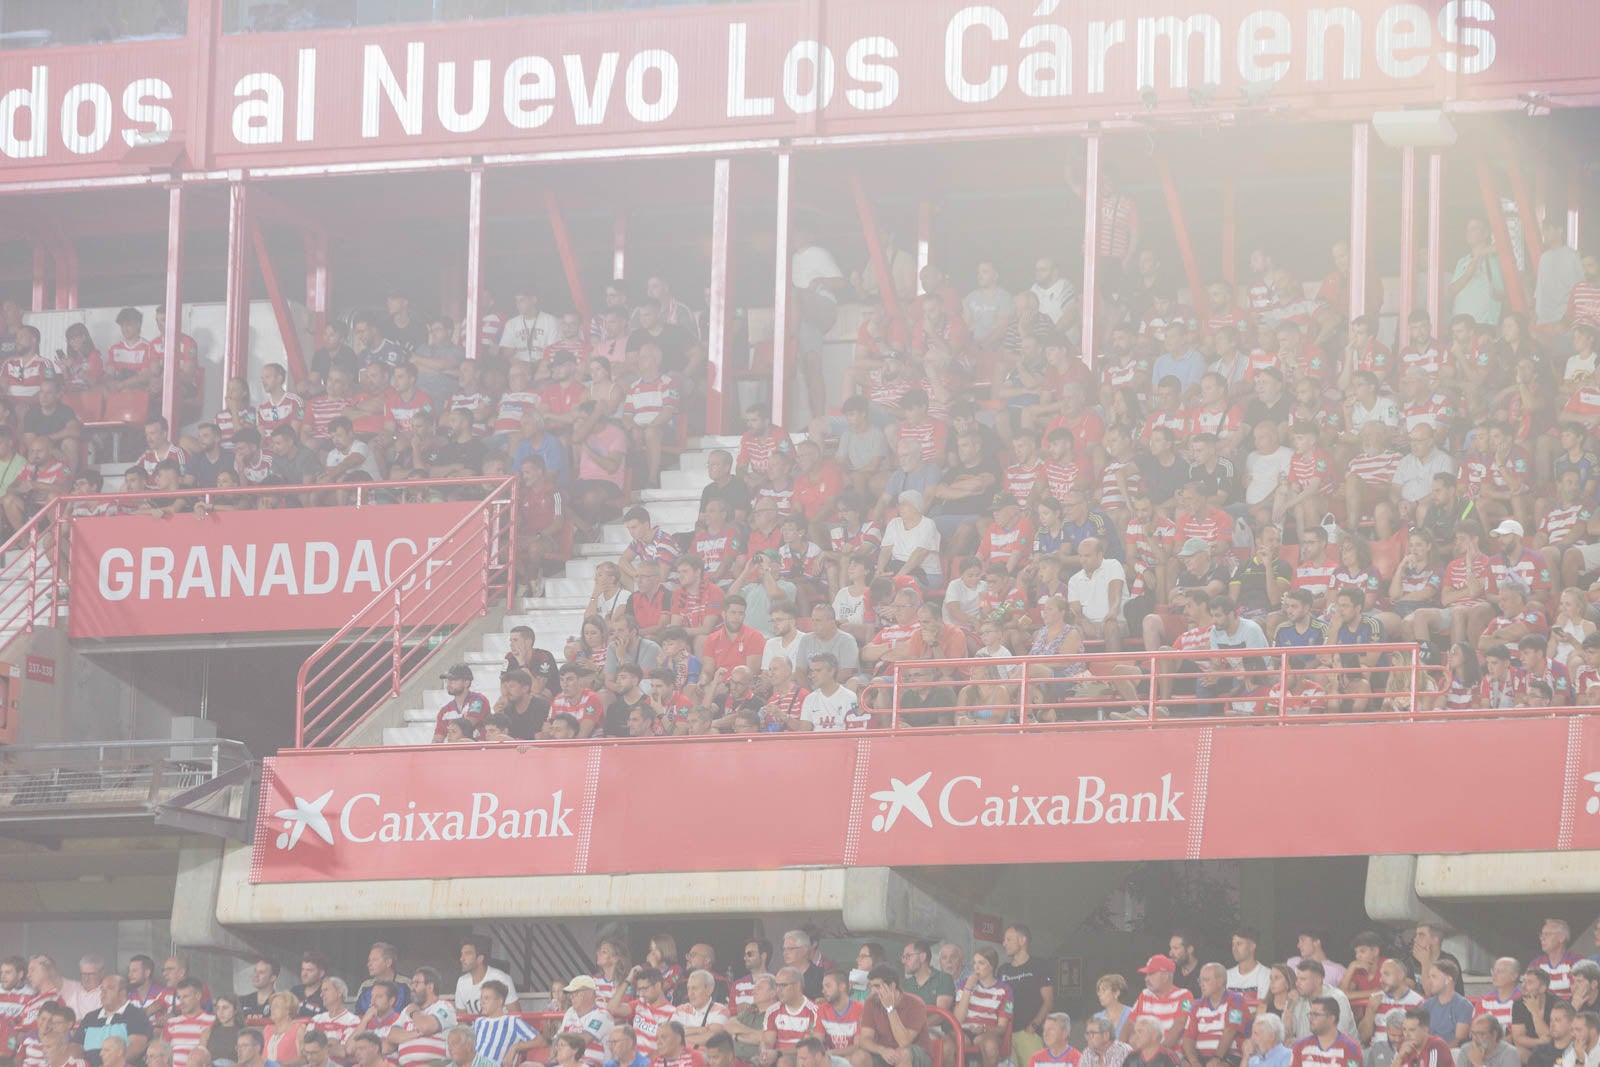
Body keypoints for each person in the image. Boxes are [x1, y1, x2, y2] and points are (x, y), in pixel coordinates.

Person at [999, 924, 1055, 1067]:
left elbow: (1048, 1001)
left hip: (1029, 1033)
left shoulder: (1039, 965)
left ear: (1022, 940)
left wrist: (1034, 1026)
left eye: (1008, 939)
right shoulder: (1003, 970)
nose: (1004, 944)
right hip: (1006, 1035)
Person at [856, 965, 931, 1067]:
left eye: (877, 986)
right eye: (871, 986)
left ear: (892, 986)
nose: (872, 991)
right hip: (884, 1053)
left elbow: (904, 1042)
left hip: (915, 1055)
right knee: (859, 1057)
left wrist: (890, 1009)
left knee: (902, 1054)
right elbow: (864, 1040)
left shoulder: (916, 1004)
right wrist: (882, 1050)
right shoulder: (871, 1001)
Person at [1289, 999, 1360, 1067]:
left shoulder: (1351, 1047)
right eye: (1310, 1014)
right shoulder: (1300, 1046)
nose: (1310, 1018)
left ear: (1331, 1018)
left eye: (1316, 1015)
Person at [457, 938, 518, 1014]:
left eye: (467, 954)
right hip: (474, 1026)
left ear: (480, 959)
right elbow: (461, 1018)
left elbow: (515, 1014)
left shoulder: (501, 978)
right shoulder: (461, 981)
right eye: (461, 954)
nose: (461, 959)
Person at [1420, 962, 1472, 1046]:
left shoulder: (1464, 1006)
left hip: (1452, 1053)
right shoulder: (1426, 1005)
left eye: (1434, 977)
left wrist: (1438, 1052)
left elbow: (1459, 1040)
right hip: (1427, 1051)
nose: (1429, 981)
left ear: (1448, 980)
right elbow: (1420, 1034)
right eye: (1429, 977)